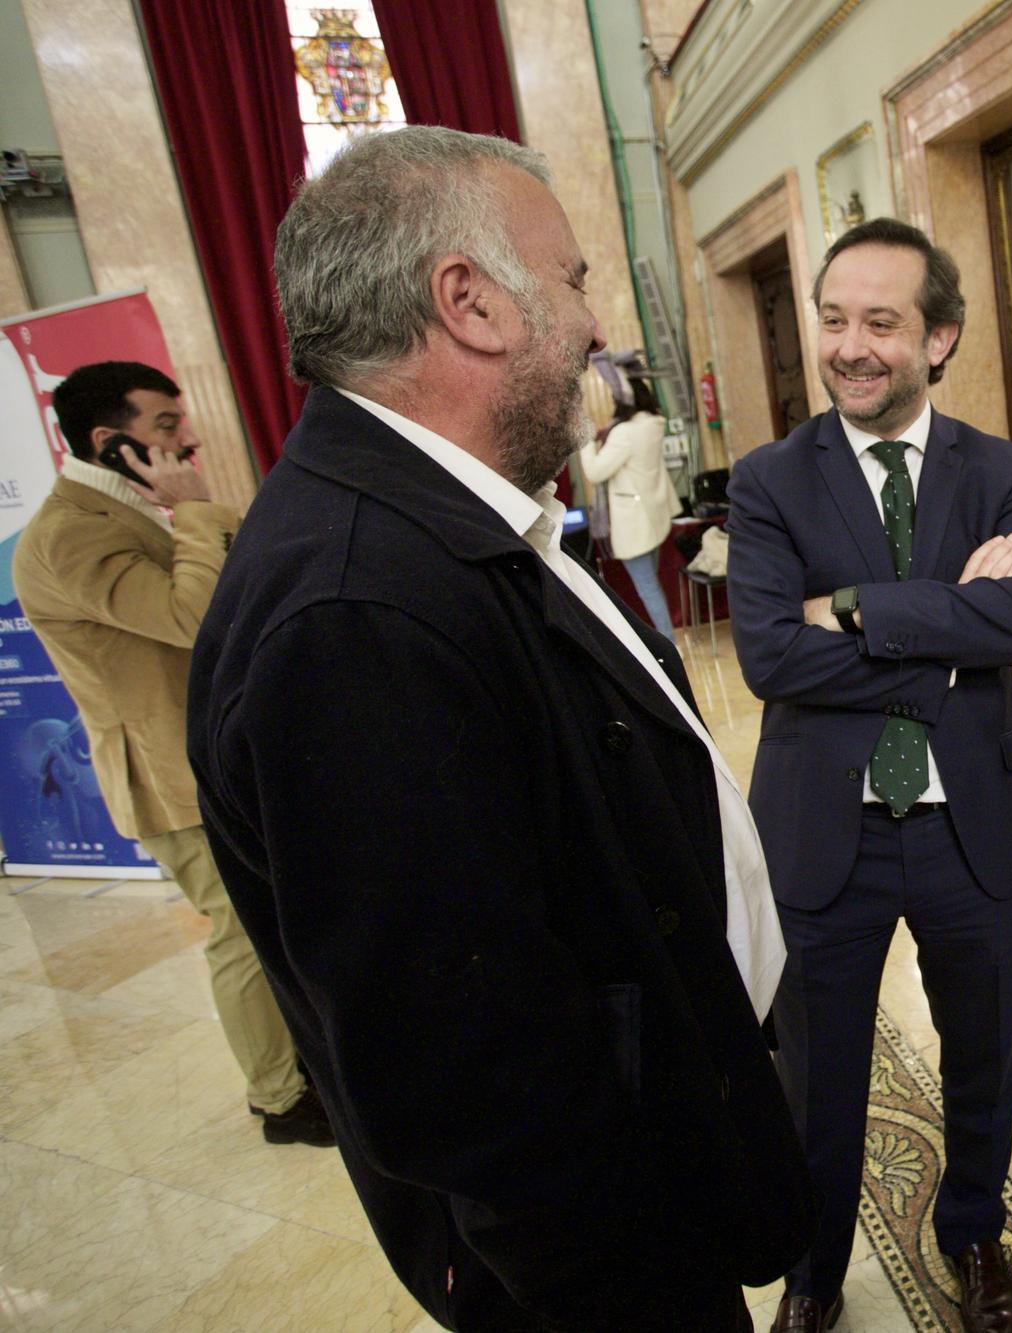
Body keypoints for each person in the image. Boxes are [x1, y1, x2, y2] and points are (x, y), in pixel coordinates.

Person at [185, 126, 812, 1332]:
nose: (591, 326)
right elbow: (473, 1079)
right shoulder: (356, 612)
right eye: (573, 280)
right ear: (467, 301)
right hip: (610, 1267)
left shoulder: (441, 521)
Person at [728, 217, 1012, 1333]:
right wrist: (944, 629)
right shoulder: (769, 479)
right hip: (827, 831)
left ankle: (971, 1236)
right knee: (815, 1079)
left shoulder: (1001, 469)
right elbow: (769, 651)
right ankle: (816, 1272)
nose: (850, 346)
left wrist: (856, 608)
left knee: (984, 1056)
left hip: (974, 827)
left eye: (881, 322)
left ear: (940, 337)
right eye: (833, 319)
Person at [12, 360, 333, 1149]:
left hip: (215, 751)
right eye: (162, 426)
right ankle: (278, 1097)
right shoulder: (68, 535)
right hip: (166, 774)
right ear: (107, 439)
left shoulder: (132, 507)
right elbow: (191, 613)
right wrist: (196, 512)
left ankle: (301, 1064)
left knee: (273, 919)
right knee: (238, 929)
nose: (183, 438)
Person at [579, 373, 679, 641]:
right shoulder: (654, 423)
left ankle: (669, 643)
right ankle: (669, 639)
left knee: (647, 587)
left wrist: (587, 441)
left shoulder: (624, 433)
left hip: (634, 522)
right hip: (654, 515)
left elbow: (595, 472)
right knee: (653, 584)